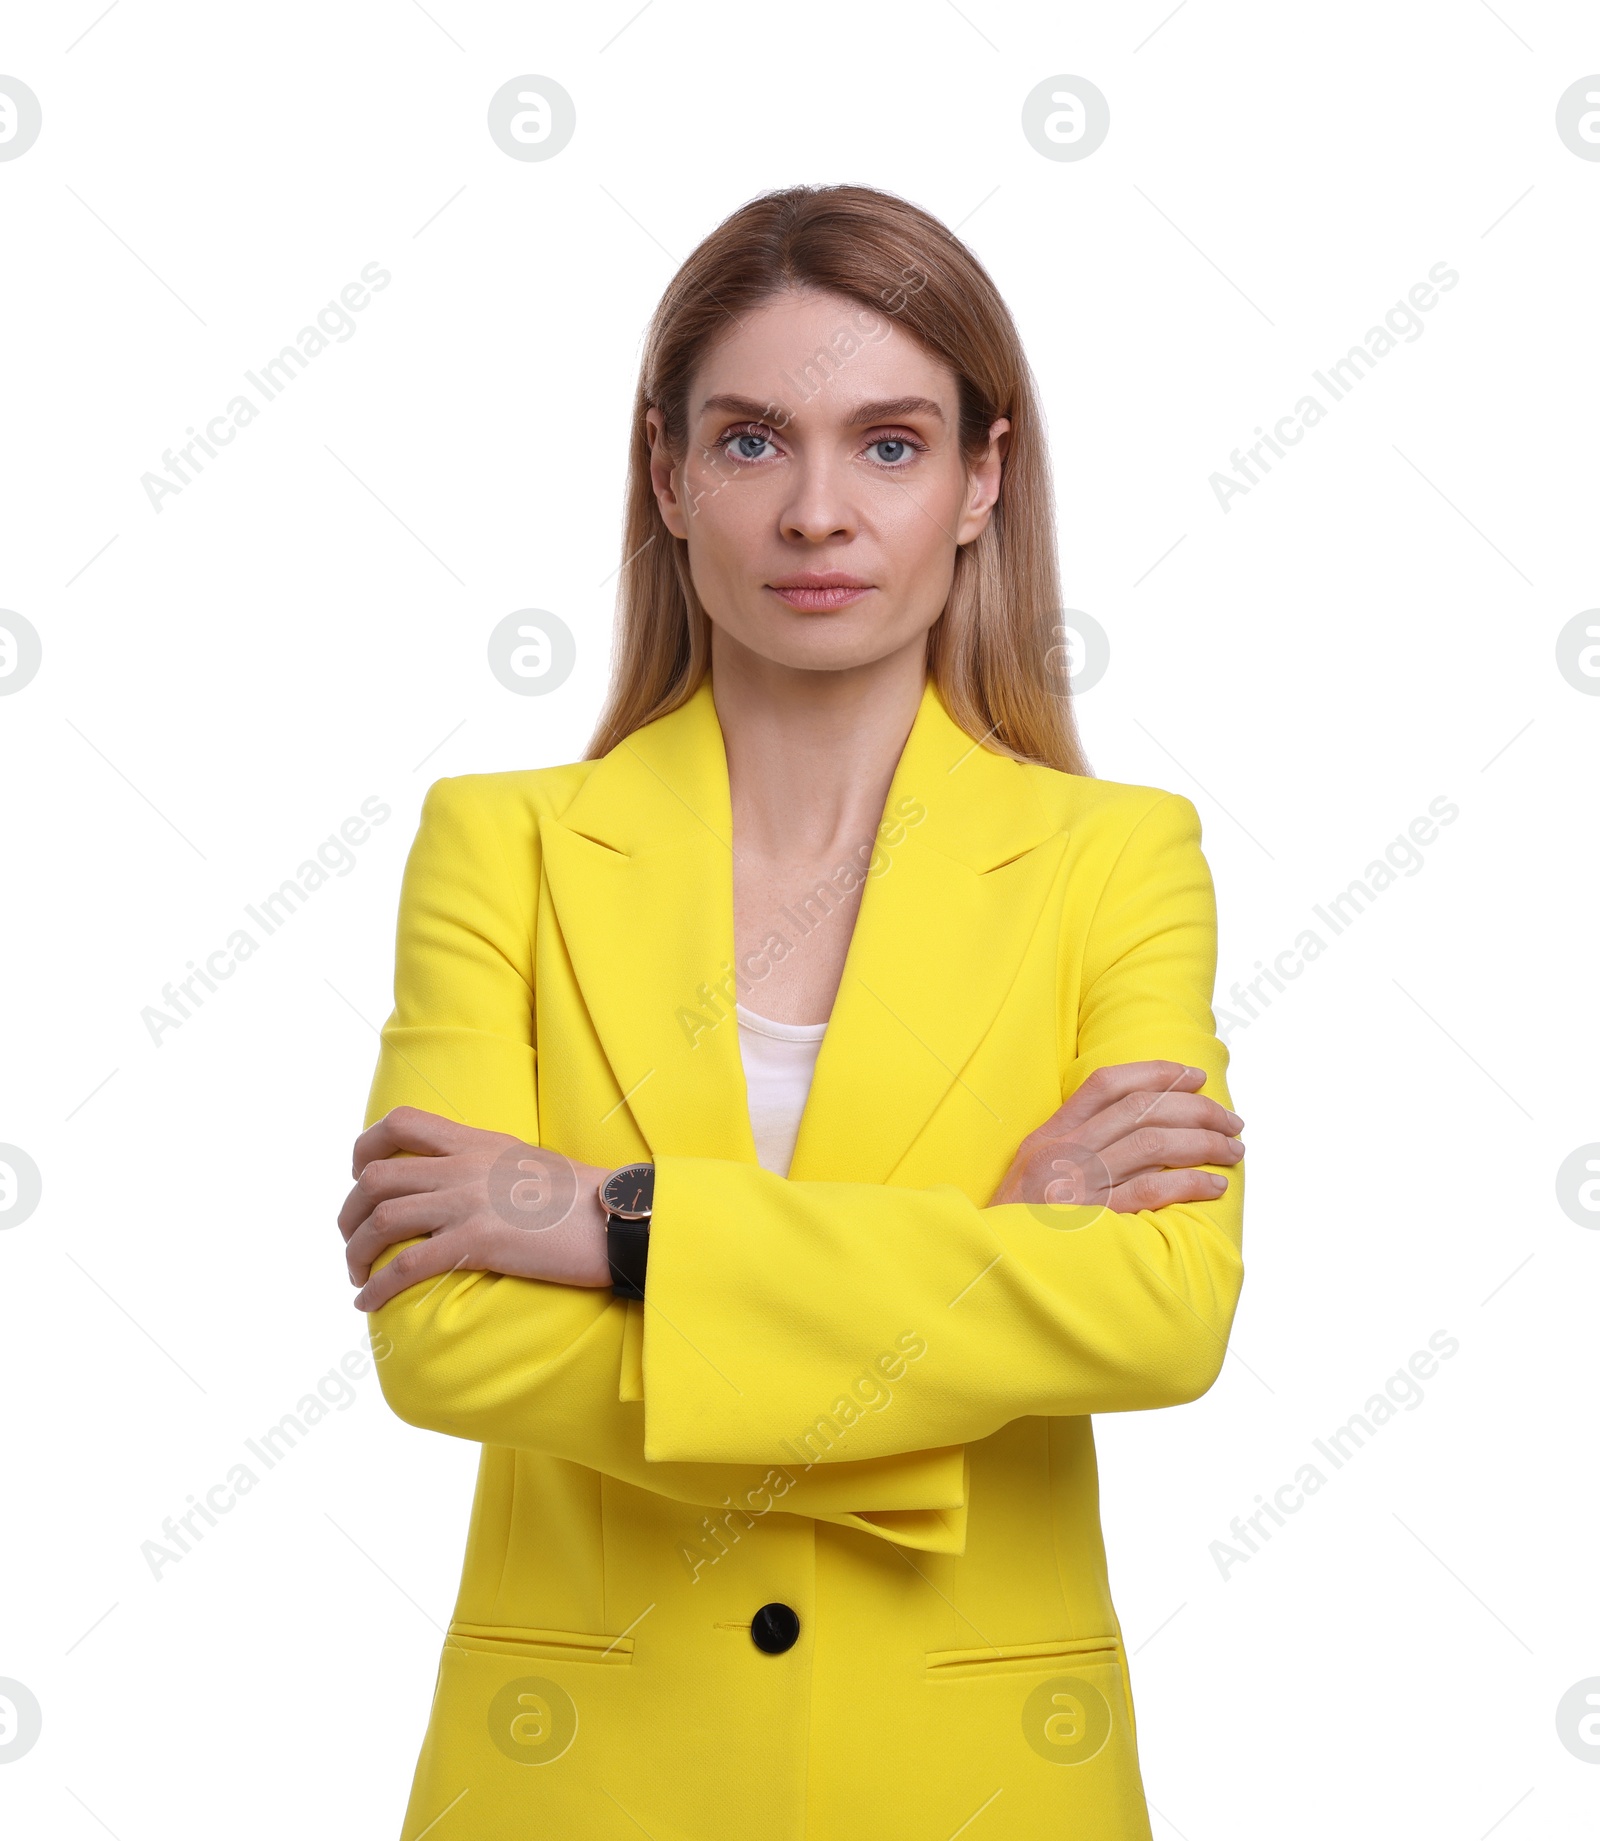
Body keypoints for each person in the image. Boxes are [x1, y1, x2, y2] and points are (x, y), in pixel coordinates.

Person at [338, 182, 1246, 1841]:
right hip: (583, 1779)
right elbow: (442, 1328)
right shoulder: (503, 844)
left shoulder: (1119, 861)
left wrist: (614, 1226)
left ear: (983, 478)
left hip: (977, 1782)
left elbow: (1162, 1316)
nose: (820, 510)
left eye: (890, 445)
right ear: (670, 478)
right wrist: (984, 1261)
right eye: (754, 442)